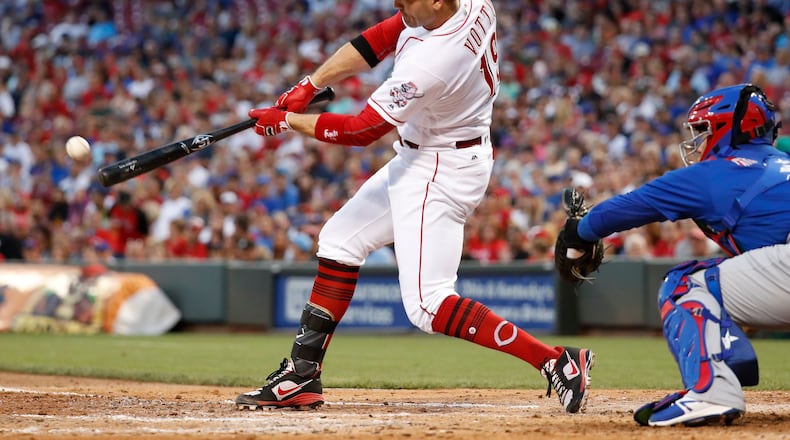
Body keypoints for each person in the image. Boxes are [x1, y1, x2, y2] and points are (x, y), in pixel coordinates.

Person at [235, 0, 594, 414]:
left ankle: (557, 362)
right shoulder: (469, 4)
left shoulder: (435, 59)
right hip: (427, 153)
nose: (398, 3)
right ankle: (302, 375)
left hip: (440, 166)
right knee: (338, 240)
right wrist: (310, 84)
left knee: (428, 305)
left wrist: (287, 122)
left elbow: (362, 129)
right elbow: (383, 35)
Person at [558, 83, 790, 426]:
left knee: (685, 283)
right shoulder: (781, 162)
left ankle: (711, 391)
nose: (697, 140)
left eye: (703, 130)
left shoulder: (718, 172)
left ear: (729, 127)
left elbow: (634, 206)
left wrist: (578, 231)